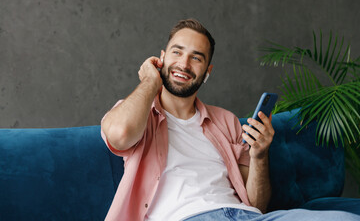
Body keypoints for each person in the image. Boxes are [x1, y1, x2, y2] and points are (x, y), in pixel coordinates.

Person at [100, 19, 360, 221]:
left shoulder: (225, 121)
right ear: (162, 57)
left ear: (207, 72)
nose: (184, 63)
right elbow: (120, 135)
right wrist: (150, 80)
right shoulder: (136, 112)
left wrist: (259, 155)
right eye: (177, 53)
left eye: (196, 58)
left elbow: (256, 204)